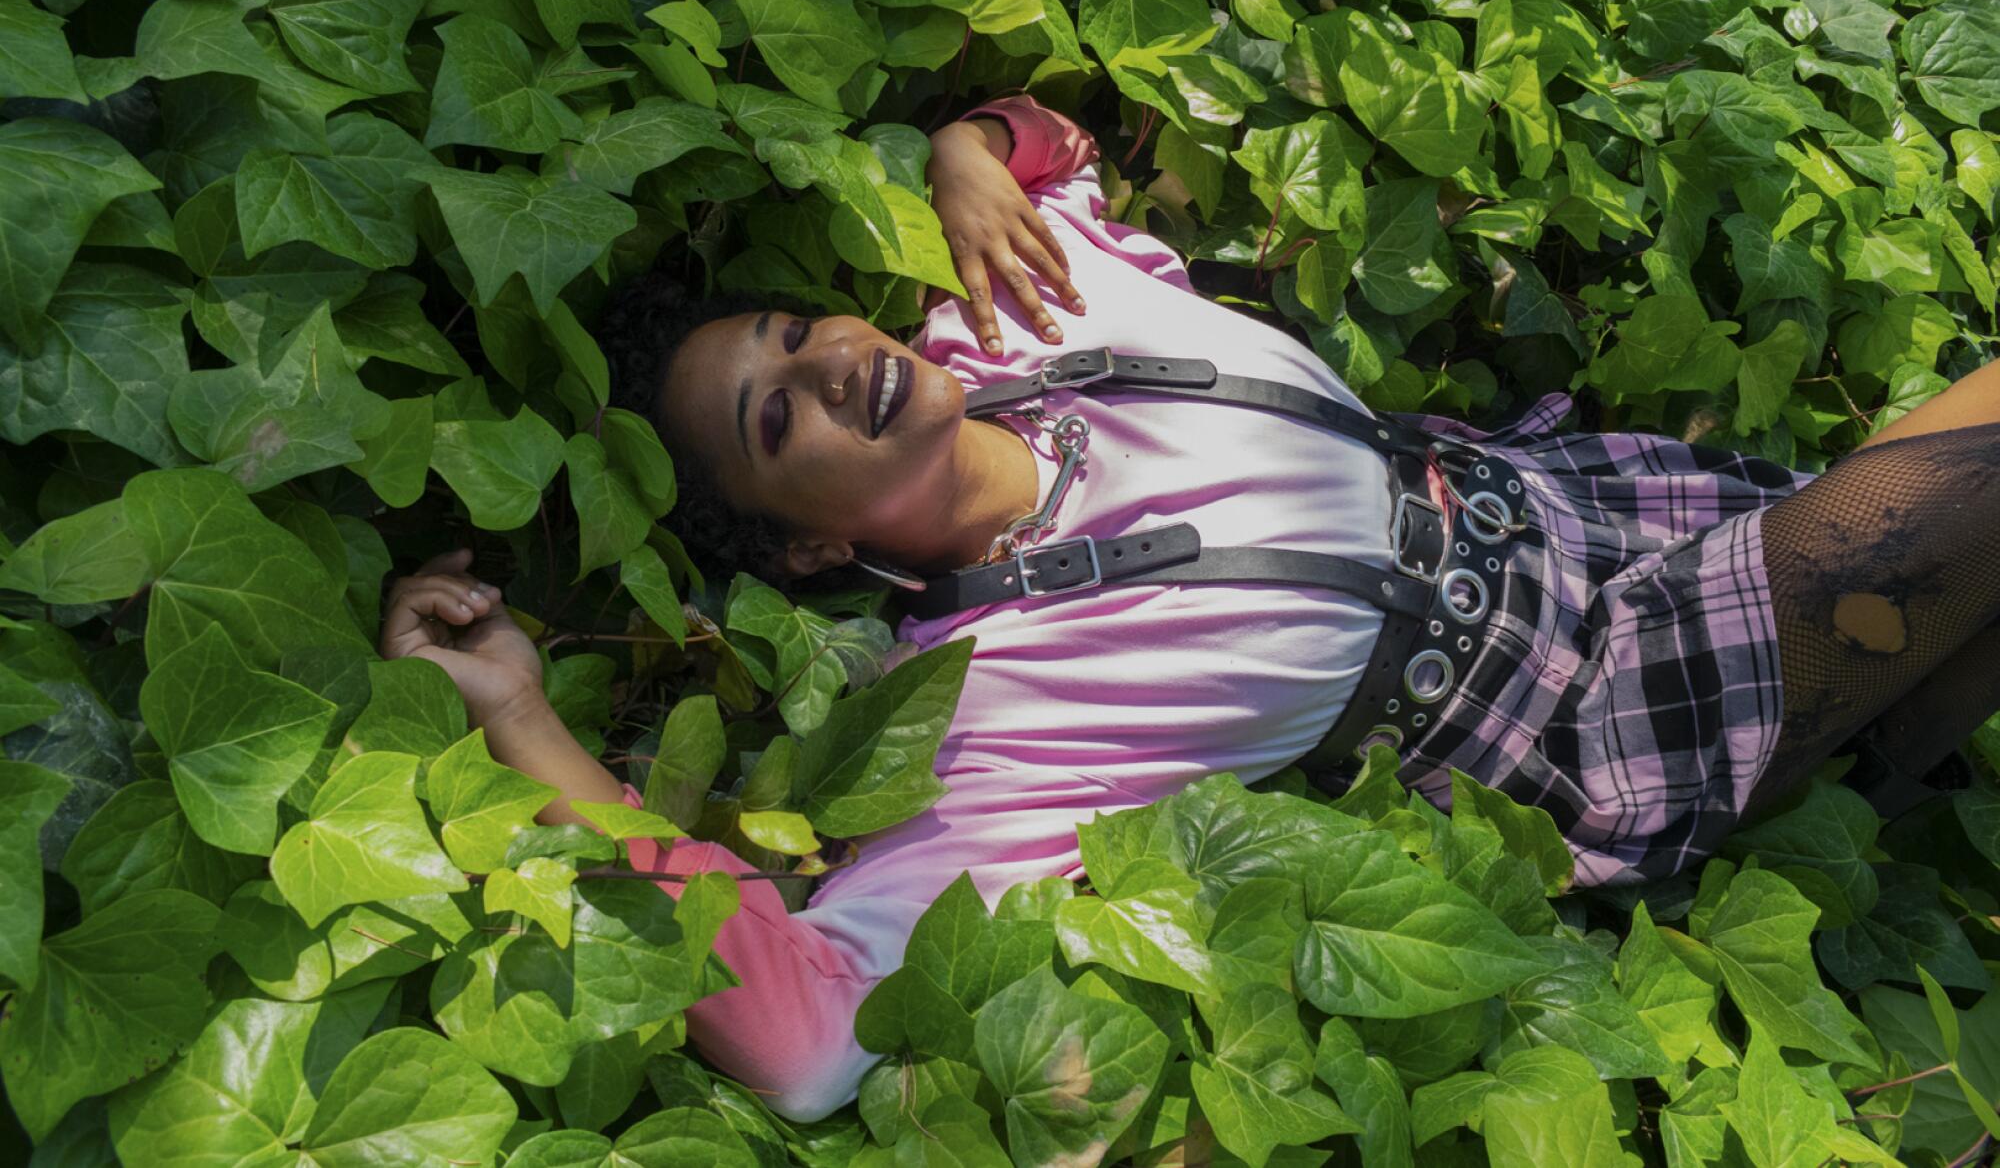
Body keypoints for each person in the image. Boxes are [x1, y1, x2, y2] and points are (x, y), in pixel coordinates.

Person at [381, 96, 1999, 1122]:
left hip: (1612, 498)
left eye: (800, 325)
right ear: (802, 553)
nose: (827, 361)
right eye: (774, 415)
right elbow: (808, 1046)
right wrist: (530, 722)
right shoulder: (983, 719)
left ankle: (1915, 724)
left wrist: (963, 151)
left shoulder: (1029, 303)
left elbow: (1051, 148)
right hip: (1622, 709)